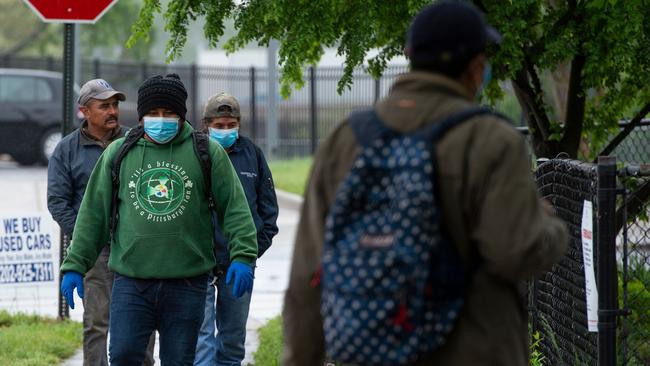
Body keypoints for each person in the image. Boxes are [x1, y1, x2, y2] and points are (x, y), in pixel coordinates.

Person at [281, 2, 569, 365]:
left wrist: (300, 359)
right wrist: (548, 226)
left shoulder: (346, 140)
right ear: (477, 67)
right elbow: (516, 250)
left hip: (374, 353)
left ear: (409, 55)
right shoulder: (491, 140)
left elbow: (308, 272)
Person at [59, 73, 258, 366]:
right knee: (124, 355)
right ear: (141, 118)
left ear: (182, 115)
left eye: (168, 113)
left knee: (178, 359)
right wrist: (75, 264)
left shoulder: (207, 152)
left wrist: (244, 255)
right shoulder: (119, 153)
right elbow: (93, 215)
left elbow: (235, 208)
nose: (160, 120)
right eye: (153, 113)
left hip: (187, 283)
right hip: (131, 281)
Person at [48, 79, 156, 366]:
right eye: (104, 106)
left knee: (142, 320)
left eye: (115, 105)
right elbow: (58, 202)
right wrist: (88, 236)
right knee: (96, 322)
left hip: (135, 247)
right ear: (85, 111)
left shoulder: (136, 142)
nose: (113, 111)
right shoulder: (66, 150)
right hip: (95, 253)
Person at [194, 93, 279, 366]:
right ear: (206, 124)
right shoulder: (194, 152)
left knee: (232, 339)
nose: (225, 130)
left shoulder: (252, 154)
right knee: (201, 338)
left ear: (239, 123)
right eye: (219, 125)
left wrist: (250, 252)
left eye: (230, 124)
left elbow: (268, 211)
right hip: (200, 261)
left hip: (238, 262)